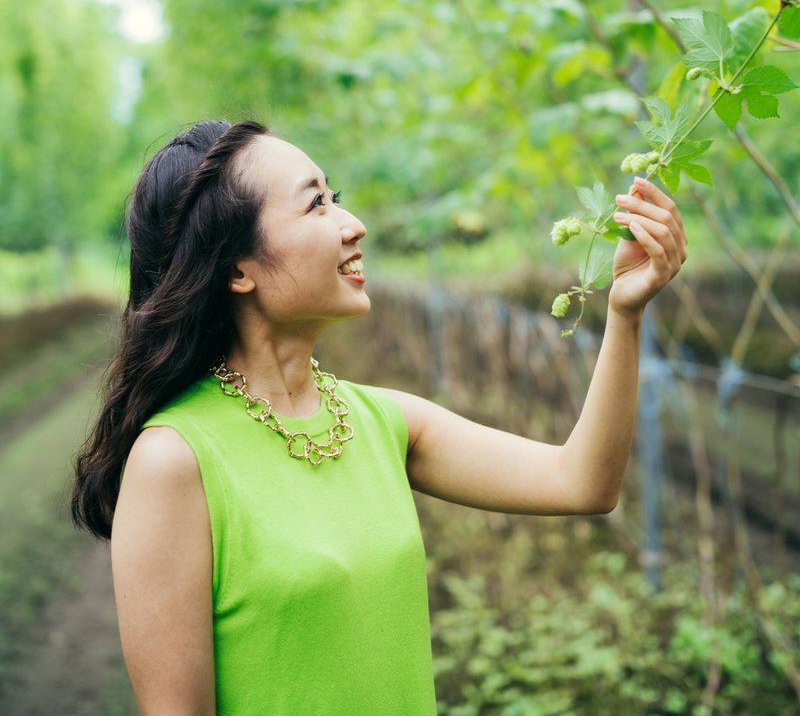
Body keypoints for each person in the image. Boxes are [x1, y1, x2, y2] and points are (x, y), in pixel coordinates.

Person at [72, 118, 688, 716]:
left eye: (334, 196)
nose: (353, 224)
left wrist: (625, 314)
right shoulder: (174, 461)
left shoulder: (381, 420)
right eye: (315, 206)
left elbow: (582, 483)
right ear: (238, 269)